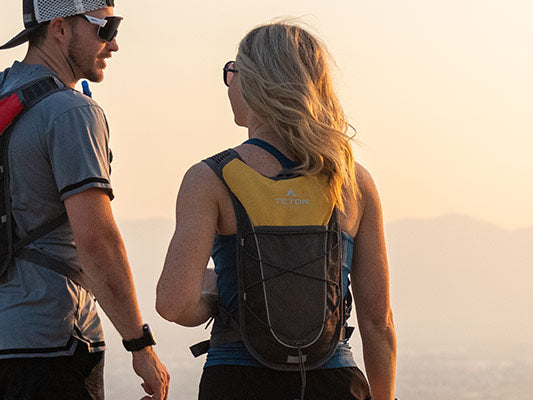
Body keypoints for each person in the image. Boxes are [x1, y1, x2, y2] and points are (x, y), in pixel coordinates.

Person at [0, 1, 165, 399]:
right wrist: (140, 344)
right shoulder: (70, 112)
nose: (114, 45)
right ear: (59, 28)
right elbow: (97, 241)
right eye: (104, 29)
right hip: (52, 339)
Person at [152, 21, 397, 400]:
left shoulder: (211, 178)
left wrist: (219, 291)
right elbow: (378, 322)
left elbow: (173, 304)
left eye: (231, 72)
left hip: (237, 380)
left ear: (252, 82)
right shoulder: (352, 181)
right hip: (334, 381)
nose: (229, 83)